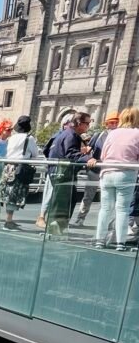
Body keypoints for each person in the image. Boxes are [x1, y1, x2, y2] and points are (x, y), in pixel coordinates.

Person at [94, 107, 139, 251]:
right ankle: (120, 242)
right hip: (126, 173)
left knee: (105, 209)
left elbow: (103, 155)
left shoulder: (112, 133)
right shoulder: (137, 133)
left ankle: (99, 240)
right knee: (122, 210)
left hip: (107, 172)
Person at [41, 112, 93, 233]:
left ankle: (56, 228)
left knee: (64, 199)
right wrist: (87, 158)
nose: (88, 126)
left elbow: (46, 150)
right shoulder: (71, 135)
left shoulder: (64, 134)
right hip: (63, 172)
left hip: (56, 170)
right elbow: (71, 153)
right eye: (87, 123)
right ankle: (55, 229)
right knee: (64, 201)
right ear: (79, 123)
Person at [72, 111, 119, 226]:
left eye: (116, 122)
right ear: (106, 124)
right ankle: (80, 219)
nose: (114, 125)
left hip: (110, 171)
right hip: (95, 169)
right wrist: (86, 155)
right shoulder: (99, 135)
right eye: (111, 122)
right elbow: (89, 148)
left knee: (108, 197)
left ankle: (107, 223)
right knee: (88, 196)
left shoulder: (120, 137)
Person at [0, 115, 39, 230]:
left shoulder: (11, 138)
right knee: (15, 194)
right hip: (20, 168)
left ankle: (9, 220)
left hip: (8, 167)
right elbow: (35, 154)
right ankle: (8, 221)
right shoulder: (29, 139)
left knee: (8, 193)